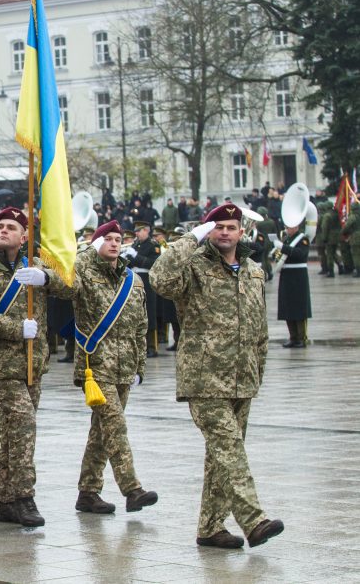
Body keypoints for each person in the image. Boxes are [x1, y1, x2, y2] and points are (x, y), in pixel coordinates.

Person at [151, 203, 284, 549]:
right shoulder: (192, 266)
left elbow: (259, 329)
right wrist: (190, 237)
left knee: (220, 455)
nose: (224, 232)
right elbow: (159, 278)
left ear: (242, 232)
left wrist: (258, 371)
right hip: (204, 377)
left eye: (230, 227)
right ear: (207, 230)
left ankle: (210, 527)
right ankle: (254, 520)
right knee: (230, 447)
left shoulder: (254, 270)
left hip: (243, 378)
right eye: (217, 226)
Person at [0, 207, 66, 527]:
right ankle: (24, 496)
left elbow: (71, 286)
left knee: (13, 433)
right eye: (0, 227)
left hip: (34, 363)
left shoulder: (34, 265)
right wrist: (15, 329)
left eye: (11, 227)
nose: (3, 231)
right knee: (23, 424)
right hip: (2, 365)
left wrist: (46, 276)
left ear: (24, 236)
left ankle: (6, 500)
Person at [64, 221, 158, 515]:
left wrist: (140, 365)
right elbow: (67, 282)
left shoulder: (133, 280)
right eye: (107, 238)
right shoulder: (84, 272)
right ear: (95, 244)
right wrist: (87, 251)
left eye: (118, 239)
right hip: (97, 368)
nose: (115, 243)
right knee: (115, 427)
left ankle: (88, 492)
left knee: (101, 432)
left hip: (125, 366)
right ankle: (132, 489)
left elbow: (141, 325)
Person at [122, 221, 159, 358]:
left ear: (146, 230)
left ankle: (151, 346)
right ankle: (139, 345)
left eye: (139, 231)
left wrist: (136, 256)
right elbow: (131, 264)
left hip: (147, 281)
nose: (136, 233)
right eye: (136, 231)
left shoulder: (153, 245)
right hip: (134, 280)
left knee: (149, 312)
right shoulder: (135, 244)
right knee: (136, 313)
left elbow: (153, 263)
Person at [273, 226, 312, 348]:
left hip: (298, 276)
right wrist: (277, 253)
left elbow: (300, 254)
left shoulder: (303, 239)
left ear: (296, 227)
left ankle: (302, 338)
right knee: (288, 307)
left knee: (299, 307)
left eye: (289, 227)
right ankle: (293, 337)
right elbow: (279, 256)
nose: (287, 229)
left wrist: (283, 247)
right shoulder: (287, 239)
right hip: (286, 275)